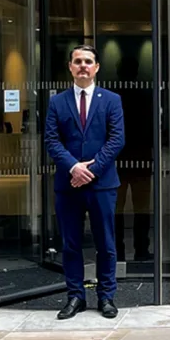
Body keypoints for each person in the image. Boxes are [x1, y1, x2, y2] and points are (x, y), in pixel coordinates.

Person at [45, 45, 126, 320]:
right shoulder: (57, 102)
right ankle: (75, 297)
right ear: (70, 66)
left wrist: (91, 170)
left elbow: (117, 139)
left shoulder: (111, 100)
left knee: (106, 243)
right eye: (77, 61)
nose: (83, 66)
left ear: (97, 67)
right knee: (71, 244)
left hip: (102, 184)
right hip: (68, 186)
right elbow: (51, 141)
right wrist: (73, 168)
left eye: (88, 61)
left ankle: (106, 297)